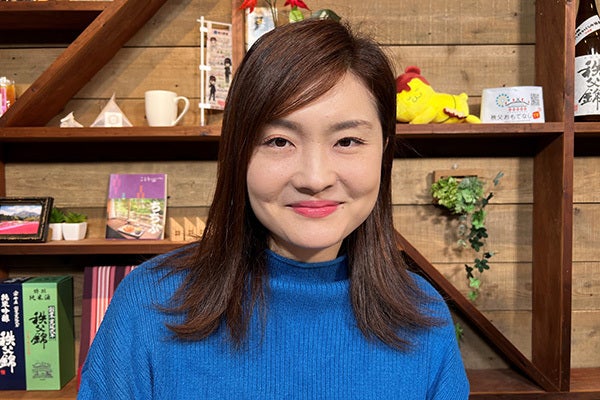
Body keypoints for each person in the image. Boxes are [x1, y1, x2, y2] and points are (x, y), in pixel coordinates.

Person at [78, 19, 469, 399]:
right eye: (279, 141)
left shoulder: (424, 317)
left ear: (383, 151)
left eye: (347, 141)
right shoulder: (150, 305)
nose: (315, 178)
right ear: (239, 153)